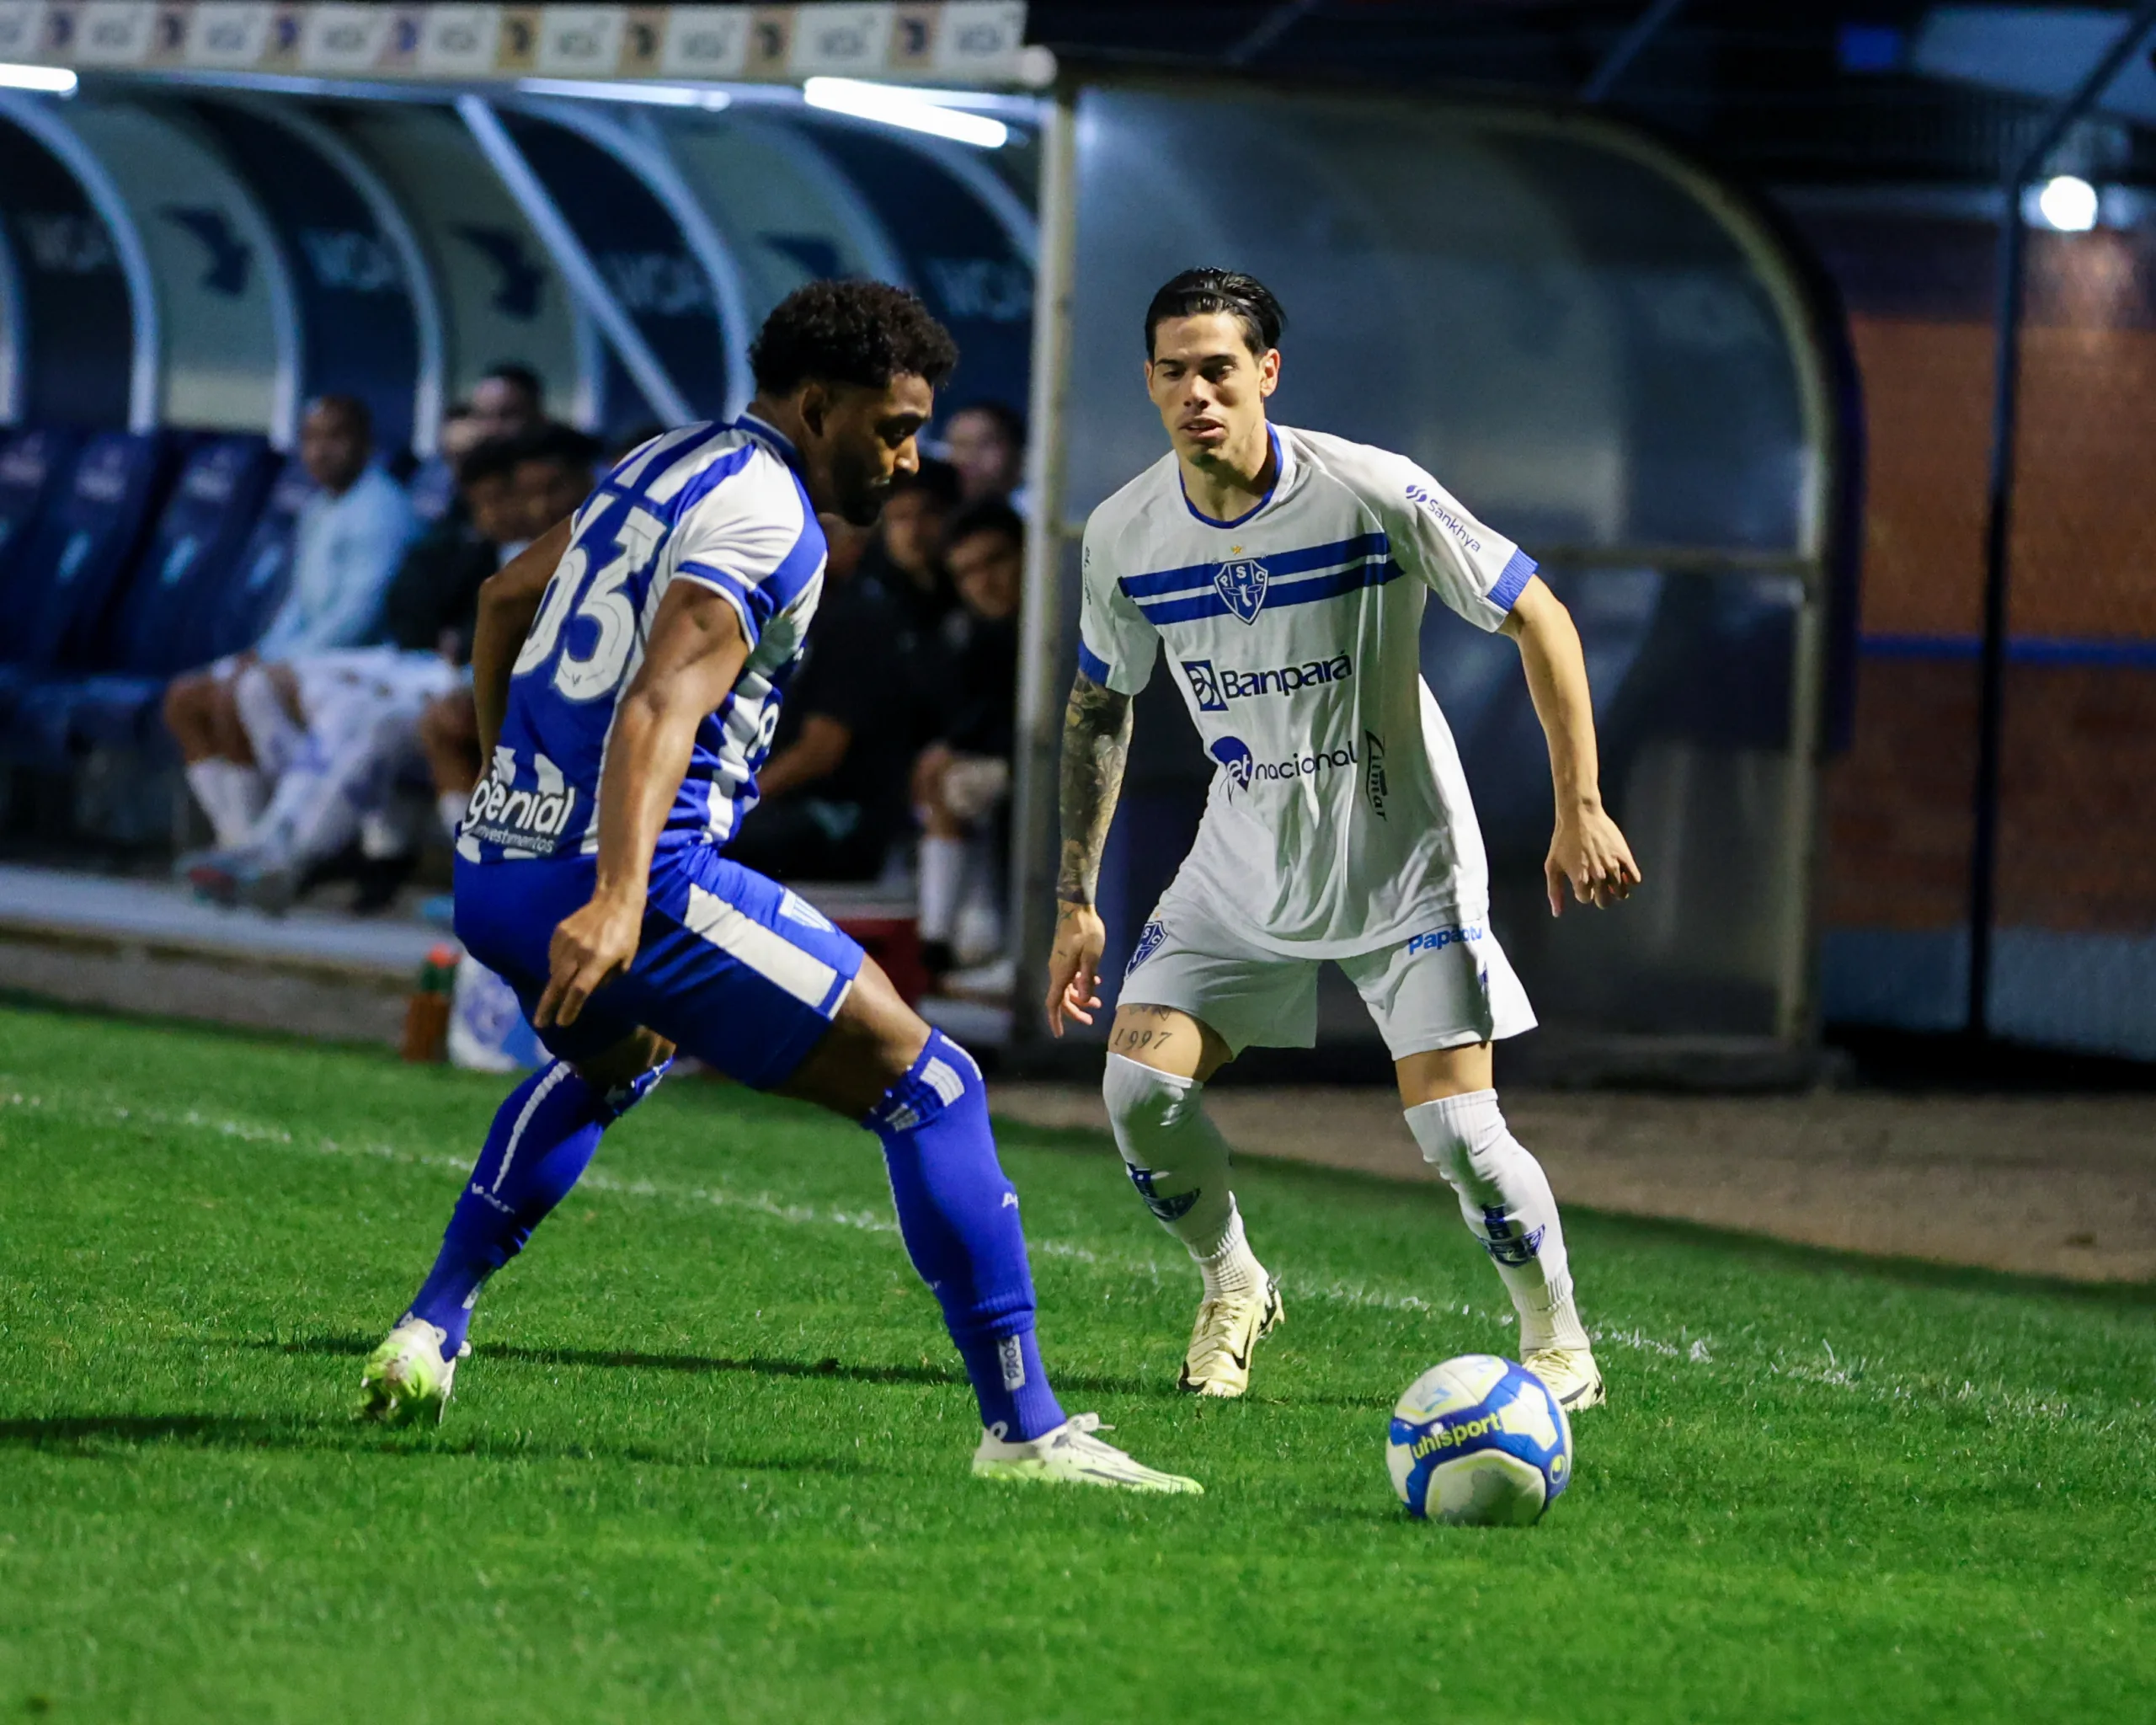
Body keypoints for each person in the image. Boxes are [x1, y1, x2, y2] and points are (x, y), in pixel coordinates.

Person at [357, 280, 1198, 1495]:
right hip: (634, 881)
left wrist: (505, 794)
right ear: (817, 407)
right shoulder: (769, 516)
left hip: (499, 871)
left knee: (616, 1060)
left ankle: (432, 1327)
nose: (910, 461)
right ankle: (1026, 1431)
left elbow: (502, 602)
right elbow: (659, 702)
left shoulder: (664, 460)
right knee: (936, 1086)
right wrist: (615, 897)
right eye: (892, 428)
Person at [1046, 269, 1641, 1411]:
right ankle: (1234, 1285)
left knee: (1460, 1132)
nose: (1196, 394)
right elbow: (1100, 704)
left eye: (1219, 369)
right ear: (1150, 382)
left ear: (1266, 372)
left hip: (1400, 851)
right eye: (1173, 372)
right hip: (1243, 856)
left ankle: (1558, 1344)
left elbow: (1540, 613)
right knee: (1137, 1094)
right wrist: (1076, 896)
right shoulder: (1125, 533)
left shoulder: (1371, 491)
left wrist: (1581, 806)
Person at [175, 435, 534, 911]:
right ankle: (273, 844)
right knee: (337, 704)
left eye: (495, 502)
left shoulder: (556, 548)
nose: (486, 514)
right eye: (480, 504)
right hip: (436, 673)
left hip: (496, 691)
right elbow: (417, 610)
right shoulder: (477, 545)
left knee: (382, 719)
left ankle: (296, 855)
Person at [163, 396, 420, 854]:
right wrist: (262, 652)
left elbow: (359, 617)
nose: (320, 452)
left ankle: (286, 844)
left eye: (335, 438)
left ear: (365, 443)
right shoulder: (318, 507)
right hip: (303, 657)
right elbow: (299, 605)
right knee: (184, 699)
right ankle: (237, 837)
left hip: (362, 664)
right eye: (311, 439)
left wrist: (277, 662)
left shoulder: (383, 509)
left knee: (237, 694)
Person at [417, 425, 603, 847]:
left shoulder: (620, 543)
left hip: (610, 705)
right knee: (444, 722)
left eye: (553, 489)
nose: (539, 507)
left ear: (589, 480)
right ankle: (477, 858)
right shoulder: (528, 555)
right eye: (527, 494)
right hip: (546, 694)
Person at [722, 521, 911, 883]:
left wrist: (735, 803)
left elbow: (820, 751)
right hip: (776, 805)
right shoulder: (783, 617)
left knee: (700, 843)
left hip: (837, 816)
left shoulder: (857, 619)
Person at [912, 498, 1022, 984]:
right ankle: (949, 943)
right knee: (947, 783)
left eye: (996, 561)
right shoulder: (977, 636)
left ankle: (946, 940)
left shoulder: (1064, 614)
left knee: (955, 786)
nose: (984, 583)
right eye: (967, 573)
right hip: (1017, 765)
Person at [942, 400, 1025, 505]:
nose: (968, 456)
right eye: (960, 445)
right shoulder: (931, 515)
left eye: (984, 444)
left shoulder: (1036, 513)